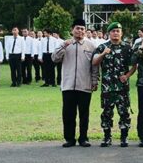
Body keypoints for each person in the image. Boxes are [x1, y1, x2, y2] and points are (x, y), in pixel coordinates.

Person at [52, 18, 99, 147]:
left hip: (85, 85)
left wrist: (94, 81)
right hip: (68, 85)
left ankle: (83, 138)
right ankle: (69, 139)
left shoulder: (91, 46)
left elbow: (95, 66)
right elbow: (54, 58)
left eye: (82, 29)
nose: (80, 31)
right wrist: (63, 46)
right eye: (77, 28)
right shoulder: (65, 44)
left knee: (84, 114)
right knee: (68, 114)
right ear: (72, 30)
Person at [92, 22, 133, 147]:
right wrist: (104, 53)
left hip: (122, 88)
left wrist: (127, 75)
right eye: (113, 31)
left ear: (121, 33)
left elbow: (134, 65)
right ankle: (107, 137)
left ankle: (124, 137)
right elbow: (94, 62)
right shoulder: (102, 47)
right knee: (106, 112)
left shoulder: (127, 48)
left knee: (124, 112)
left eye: (118, 31)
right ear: (109, 33)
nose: (116, 33)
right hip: (107, 87)